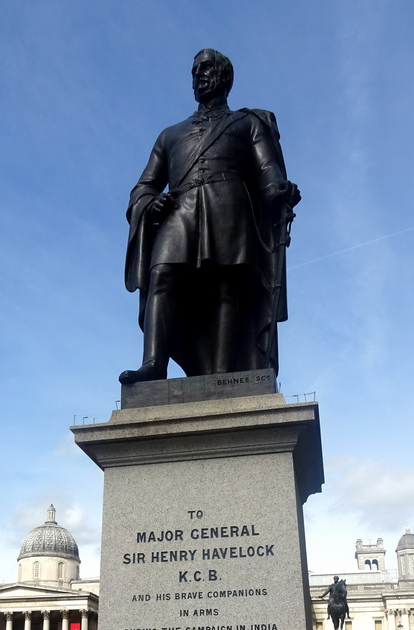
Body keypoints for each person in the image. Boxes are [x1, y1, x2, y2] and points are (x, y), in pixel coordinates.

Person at [120, 49, 300, 385]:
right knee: (161, 275)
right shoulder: (169, 135)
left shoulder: (248, 124)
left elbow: (267, 172)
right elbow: (142, 187)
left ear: (224, 77)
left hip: (229, 208)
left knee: (225, 287)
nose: (198, 75)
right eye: (194, 71)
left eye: (205, 68)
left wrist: (280, 190)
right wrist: (149, 202)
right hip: (181, 211)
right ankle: (154, 363)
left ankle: (220, 376)